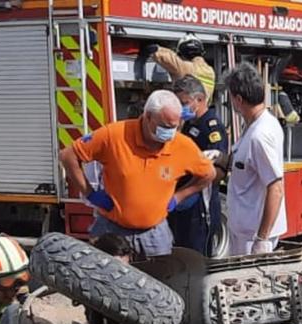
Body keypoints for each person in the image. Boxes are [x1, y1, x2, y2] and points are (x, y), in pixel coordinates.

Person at [59, 90, 215, 258]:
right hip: (112, 230)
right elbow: (68, 156)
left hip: (154, 234)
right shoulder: (115, 136)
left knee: (160, 281)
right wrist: (89, 193)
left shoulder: (182, 145)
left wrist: (179, 196)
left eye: (174, 127)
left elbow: (208, 174)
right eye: (164, 126)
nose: (169, 132)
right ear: (148, 117)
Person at [224, 63, 286, 256]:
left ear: (239, 99)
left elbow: (275, 187)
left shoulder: (260, 134)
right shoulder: (253, 125)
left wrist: (262, 239)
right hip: (245, 231)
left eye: (231, 97)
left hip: (252, 237)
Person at [169, 75, 228, 254]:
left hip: (201, 205)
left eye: (184, 102)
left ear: (200, 99)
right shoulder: (187, 125)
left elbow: (217, 170)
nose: (181, 108)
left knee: (197, 257)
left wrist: (190, 190)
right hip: (181, 201)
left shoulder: (211, 128)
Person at [143, 35, 216, 104]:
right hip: (202, 109)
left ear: (183, 53)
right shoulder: (210, 71)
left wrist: (156, 49)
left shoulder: (186, 68)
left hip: (190, 109)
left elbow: (170, 59)